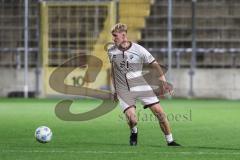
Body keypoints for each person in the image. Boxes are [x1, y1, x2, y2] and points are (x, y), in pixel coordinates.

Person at [107, 23, 180, 146]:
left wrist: (164, 82)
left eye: (115, 36)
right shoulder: (111, 51)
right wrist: (115, 89)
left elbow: (155, 65)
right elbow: (114, 71)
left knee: (160, 113)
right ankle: (134, 131)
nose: (113, 38)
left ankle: (170, 141)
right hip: (123, 89)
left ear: (124, 35)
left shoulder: (138, 49)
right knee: (132, 119)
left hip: (140, 85)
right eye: (113, 36)